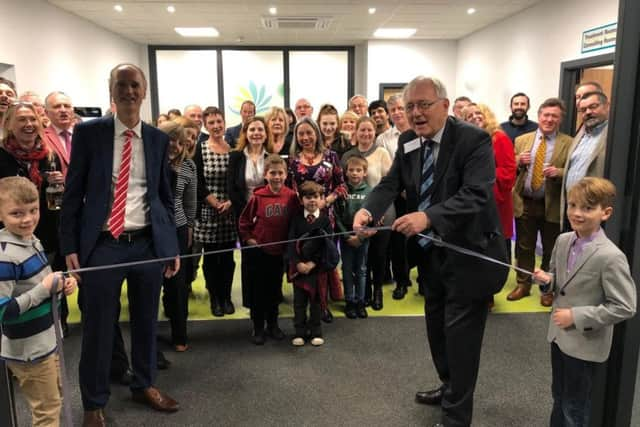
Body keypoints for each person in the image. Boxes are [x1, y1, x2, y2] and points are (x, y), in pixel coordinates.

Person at [354, 76, 508, 427]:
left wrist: (428, 217)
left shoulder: (474, 140)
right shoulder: (409, 141)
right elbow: (392, 183)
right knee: (437, 330)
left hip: (470, 256)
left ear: (445, 105)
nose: (416, 113)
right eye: (409, 106)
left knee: (462, 341)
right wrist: (369, 208)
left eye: (424, 104)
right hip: (431, 257)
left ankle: (456, 417)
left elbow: (477, 194)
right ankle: (449, 386)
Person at [60, 63, 180, 426]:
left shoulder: (158, 139)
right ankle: (93, 403)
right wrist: (69, 245)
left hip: (147, 244)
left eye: (135, 85)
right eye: (121, 85)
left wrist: (169, 244)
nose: (129, 91)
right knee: (98, 326)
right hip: (103, 245)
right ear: (111, 90)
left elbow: (163, 196)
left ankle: (144, 384)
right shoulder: (89, 133)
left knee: (146, 321)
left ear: (144, 92)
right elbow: (73, 193)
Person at [532, 177, 636, 427]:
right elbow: (561, 282)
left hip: (584, 344)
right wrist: (547, 281)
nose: (577, 213)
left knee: (575, 407)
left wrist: (576, 317)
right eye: (572, 205)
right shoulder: (563, 241)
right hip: (558, 337)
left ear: (606, 213)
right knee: (559, 396)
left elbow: (624, 306)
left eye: (587, 208)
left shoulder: (610, 257)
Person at [0, 176, 77, 427]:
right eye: (16, 213)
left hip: (47, 339)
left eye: (33, 211)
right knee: (46, 411)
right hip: (29, 349)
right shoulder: (5, 257)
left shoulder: (31, 240)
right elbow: (4, 311)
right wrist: (44, 290)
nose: (27, 219)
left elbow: (41, 283)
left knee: (55, 400)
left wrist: (61, 284)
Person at [509, 98, 571, 306]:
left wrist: (558, 172)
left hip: (551, 203)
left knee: (550, 248)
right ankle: (523, 284)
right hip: (525, 201)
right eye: (546, 115)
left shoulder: (568, 143)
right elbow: (511, 168)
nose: (549, 119)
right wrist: (518, 161)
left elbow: (574, 171)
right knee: (524, 247)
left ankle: (547, 288)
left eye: (555, 116)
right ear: (539, 116)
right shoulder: (522, 140)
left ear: (560, 119)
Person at [287, 117, 346, 322]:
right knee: (304, 260)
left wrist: (326, 201)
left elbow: (342, 186)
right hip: (303, 219)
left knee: (322, 262)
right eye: (301, 134)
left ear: (316, 133)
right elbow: (289, 189)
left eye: (309, 133)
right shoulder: (292, 160)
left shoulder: (332, 156)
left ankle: (323, 305)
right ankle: (304, 306)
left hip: (325, 218)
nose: (305, 137)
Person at [238, 154, 299, 344]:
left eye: (280, 173)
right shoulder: (258, 196)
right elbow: (244, 221)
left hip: (279, 253)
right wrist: (249, 238)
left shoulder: (291, 197)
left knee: (274, 290)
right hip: (261, 252)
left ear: (286, 174)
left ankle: (273, 324)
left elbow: (295, 223)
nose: (276, 177)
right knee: (258, 290)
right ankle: (258, 327)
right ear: (266, 175)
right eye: (273, 173)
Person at [343, 116, 393, 310]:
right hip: (356, 210)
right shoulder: (348, 155)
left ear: (375, 132)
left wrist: (379, 209)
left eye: (369, 130)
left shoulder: (382, 153)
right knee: (359, 256)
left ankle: (377, 291)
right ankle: (362, 294)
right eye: (362, 130)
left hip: (381, 209)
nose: (366, 133)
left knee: (378, 254)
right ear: (356, 132)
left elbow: (390, 184)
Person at [193, 106, 237, 317]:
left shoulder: (234, 148)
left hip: (229, 210)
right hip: (208, 209)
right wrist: (213, 201)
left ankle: (226, 296)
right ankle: (215, 298)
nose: (216, 126)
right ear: (205, 125)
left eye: (219, 121)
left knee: (228, 258)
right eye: (211, 123)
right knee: (211, 259)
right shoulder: (199, 149)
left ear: (224, 122)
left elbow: (238, 181)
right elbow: (197, 181)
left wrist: (229, 202)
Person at [158, 121, 196, 352]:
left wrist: (190, 226)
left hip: (179, 228)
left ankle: (179, 334)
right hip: (152, 229)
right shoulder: (151, 163)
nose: (175, 146)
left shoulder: (189, 166)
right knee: (152, 282)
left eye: (180, 142)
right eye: (171, 140)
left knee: (178, 284)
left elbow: (190, 200)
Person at [463, 103, 516, 264]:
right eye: (469, 116)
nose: (475, 117)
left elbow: (508, 171)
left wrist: (483, 174)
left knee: (496, 245)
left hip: (495, 201)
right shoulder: (468, 142)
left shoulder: (499, 138)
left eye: (478, 113)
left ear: (487, 114)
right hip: (473, 200)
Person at [288, 181, 337, 347]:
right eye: (308, 197)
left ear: (322, 198)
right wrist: (298, 263)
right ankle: (299, 332)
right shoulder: (295, 220)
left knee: (316, 302)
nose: (312, 201)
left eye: (316, 197)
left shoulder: (325, 221)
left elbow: (327, 245)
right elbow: (290, 243)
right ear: (301, 200)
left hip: (316, 270)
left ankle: (316, 331)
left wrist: (313, 263)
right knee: (299, 303)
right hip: (299, 270)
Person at [376, 94, 413, 299]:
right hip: (396, 195)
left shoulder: (419, 132)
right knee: (398, 240)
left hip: (418, 193)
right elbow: (388, 171)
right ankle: (401, 281)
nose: (397, 113)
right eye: (393, 111)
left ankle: (424, 280)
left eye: (400, 108)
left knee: (421, 238)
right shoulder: (383, 139)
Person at [561, 91, 610, 231]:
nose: (588, 112)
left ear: (607, 106)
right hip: (573, 207)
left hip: (593, 209)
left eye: (593, 106)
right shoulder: (581, 135)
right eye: (583, 110)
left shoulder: (613, 135)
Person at [335, 155, 371, 319]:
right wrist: (346, 235)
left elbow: (374, 216)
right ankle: (349, 300)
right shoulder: (342, 191)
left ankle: (360, 302)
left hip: (363, 236)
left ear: (365, 173)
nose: (355, 173)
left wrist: (361, 236)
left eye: (359, 170)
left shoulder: (370, 192)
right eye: (351, 170)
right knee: (347, 269)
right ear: (346, 172)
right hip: (346, 236)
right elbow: (336, 215)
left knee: (361, 269)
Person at [43, 91, 75, 176]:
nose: (63, 110)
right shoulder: (41, 137)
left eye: (67, 106)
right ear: (46, 113)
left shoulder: (85, 135)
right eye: (57, 106)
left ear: (73, 110)